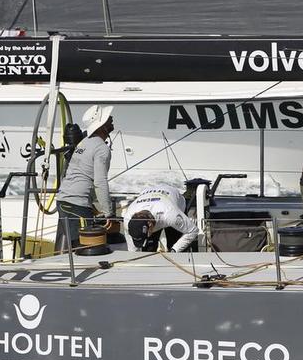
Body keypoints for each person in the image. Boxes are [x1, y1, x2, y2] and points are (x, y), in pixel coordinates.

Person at [54, 105, 113, 252]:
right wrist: (108, 213)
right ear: (101, 126)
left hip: (64, 201)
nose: (111, 119)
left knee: (77, 247)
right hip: (76, 205)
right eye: (107, 119)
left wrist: (91, 207)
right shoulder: (101, 148)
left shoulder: (84, 142)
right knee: (86, 248)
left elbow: (78, 173)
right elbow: (100, 182)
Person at [123, 184, 199, 254]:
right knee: (148, 249)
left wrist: (175, 250)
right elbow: (133, 250)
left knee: (174, 243)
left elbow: (193, 231)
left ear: (150, 225)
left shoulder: (170, 214)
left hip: (173, 201)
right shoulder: (127, 219)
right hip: (150, 196)